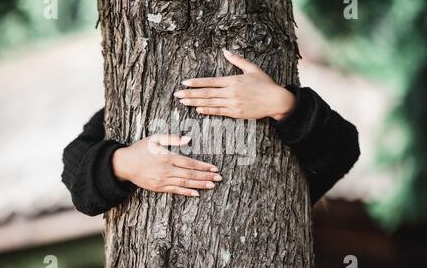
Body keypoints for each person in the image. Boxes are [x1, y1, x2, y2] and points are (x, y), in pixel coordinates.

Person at [62, 49, 360, 216]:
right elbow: (74, 167)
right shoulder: (125, 107)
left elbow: (343, 149)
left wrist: (283, 104)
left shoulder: (274, 85)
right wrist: (121, 163)